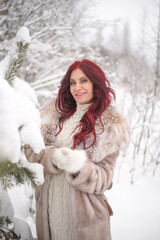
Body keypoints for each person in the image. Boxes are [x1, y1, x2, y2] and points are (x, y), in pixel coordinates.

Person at [25, 59, 130, 240]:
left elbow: (105, 178)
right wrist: (52, 157)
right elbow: (31, 150)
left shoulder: (110, 126)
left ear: (95, 83)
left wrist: (79, 167)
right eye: (72, 82)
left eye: (84, 80)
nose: (77, 87)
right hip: (49, 214)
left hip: (86, 221)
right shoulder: (52, 115)